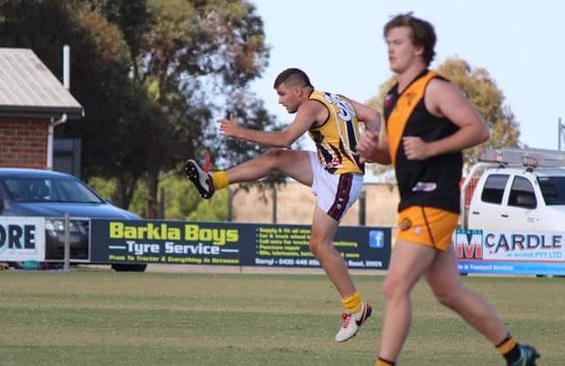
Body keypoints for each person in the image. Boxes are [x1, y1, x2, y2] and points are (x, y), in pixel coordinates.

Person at [356, 13, 540, 366]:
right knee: (448, 292)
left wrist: (430, 148)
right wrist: (372, 151)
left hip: (433, 200)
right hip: (414, 201)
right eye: (388, 44)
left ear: (420, 48)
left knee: (394, 288)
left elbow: (478, 130)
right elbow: (393, 151)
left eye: (398, 43)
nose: (390, 51)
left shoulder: (435, 88)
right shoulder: (394, 97)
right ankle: (517, 354)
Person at [185, 68, 380, 342]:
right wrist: (370, 142)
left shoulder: (311, 106)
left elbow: (286, 138)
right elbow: (373, 115)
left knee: (319, 245)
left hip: (341, 179)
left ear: (298, 91)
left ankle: (355, 308)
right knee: (275, 158)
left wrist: (240, 132)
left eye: (282, 94)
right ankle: (213, 182)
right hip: (328, 167)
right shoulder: (334, 98)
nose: (280, 100)